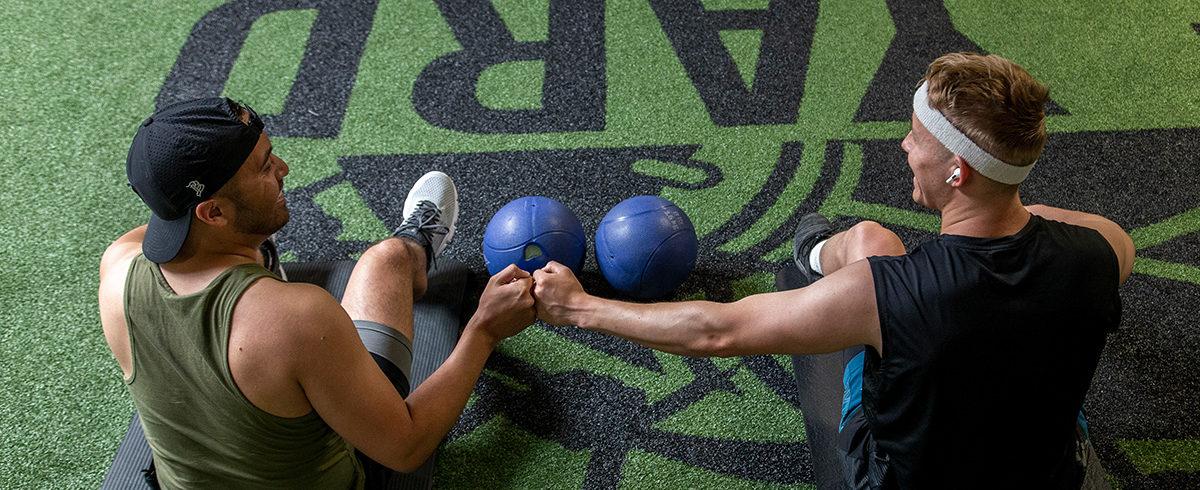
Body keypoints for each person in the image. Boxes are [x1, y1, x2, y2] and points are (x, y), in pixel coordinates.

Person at [532, 52, 1134, 488]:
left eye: (916, 137)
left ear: (957, 171)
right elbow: (1076, 233)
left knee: (872, 241)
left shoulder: (887, 293)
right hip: (1054, 471)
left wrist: (578, 307)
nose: (903, 145)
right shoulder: (1101, 250)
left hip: (901, 473)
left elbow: (718, 330)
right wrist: (1022, 215)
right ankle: (819, 250)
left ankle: (814, 254)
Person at [98, 97, 536, 488]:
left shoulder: (118, 267)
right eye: (265, 167)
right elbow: (406, 448)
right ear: (213, 212)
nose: (283, 168)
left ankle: (262, 268)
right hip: (343, 456)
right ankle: (411, 251)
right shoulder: (297, 319)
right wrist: (483, 329)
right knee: (385, 260)